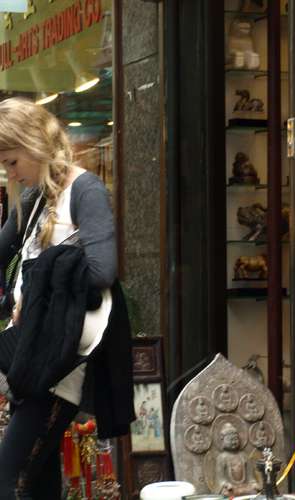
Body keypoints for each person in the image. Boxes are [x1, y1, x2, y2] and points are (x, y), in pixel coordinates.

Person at [0, 97, 135, 499]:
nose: (10, 173)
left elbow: (102, 271)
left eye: (12, 162)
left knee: (9, 480)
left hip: (60, 366)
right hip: (34, 357)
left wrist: (35, 285)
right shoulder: (35, 197)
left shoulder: (85, 190)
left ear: (33, 145)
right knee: (37, 484)